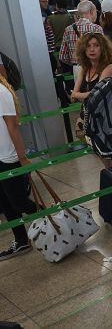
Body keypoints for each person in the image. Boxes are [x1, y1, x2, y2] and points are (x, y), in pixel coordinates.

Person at [0, 74, 35, 261]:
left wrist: (22, 158)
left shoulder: (1, 91)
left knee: (19, 202)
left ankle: (52, 217)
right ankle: (21, 240)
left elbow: (13, 126)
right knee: (6, 204)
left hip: (9, 157)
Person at [71, 33, 112, 138]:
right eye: (88, 46)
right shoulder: (84, 68)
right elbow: (73, 98)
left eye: (96, 45)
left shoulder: (109, 67)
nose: (92, 49)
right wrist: (79, 95)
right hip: (87, 118)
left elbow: (95, 96)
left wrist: (78, 94)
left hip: (104, 120)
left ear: (103, 49)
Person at [59, 0, 103, 70]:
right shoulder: (96, 28)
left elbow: (62, 56)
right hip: (94, 66)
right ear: (91, 11)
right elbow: (103, 51)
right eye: (95, 12)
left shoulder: (68, 29)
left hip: (76, 68)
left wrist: (74, 63)